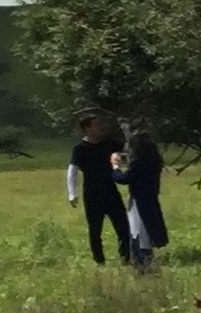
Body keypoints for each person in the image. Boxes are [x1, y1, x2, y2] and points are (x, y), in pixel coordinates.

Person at [65, 114, 132, 267]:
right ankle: (99, 261)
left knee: (123, 226)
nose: (100, 127)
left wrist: (126, 130)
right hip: (92, 194)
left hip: (111, 191)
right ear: (87, 128)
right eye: (96, 125)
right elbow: (72, 170)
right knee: (95, 229)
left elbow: (129, 148)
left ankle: (126, 258)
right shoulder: (80, 149)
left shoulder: (108, 143)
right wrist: (72, 193)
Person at [117, 120, 168, 269]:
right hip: (151, 199)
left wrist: (115, 167)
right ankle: (145, 261)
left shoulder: (138, 165)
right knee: (146, 232)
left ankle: (142, 264)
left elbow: (123, 178)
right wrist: (125, 129)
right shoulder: (153, 162)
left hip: (139, 201)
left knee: (138, 232)